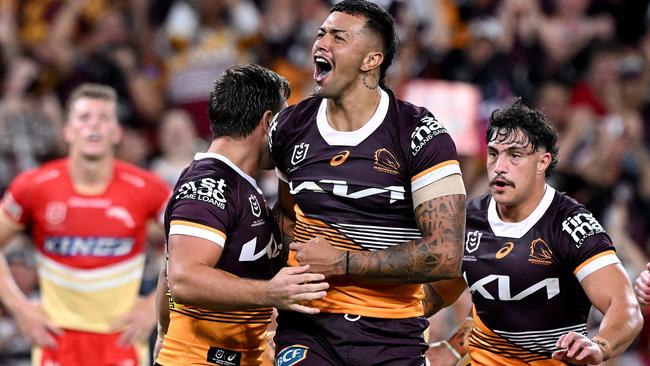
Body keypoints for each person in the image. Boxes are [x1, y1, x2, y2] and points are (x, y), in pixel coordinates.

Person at [268, 1, 467, 364]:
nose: (320, 43)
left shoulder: (419, 135)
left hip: (391, 332)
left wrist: (343, 262)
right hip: (307, 328)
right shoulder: (288, 127)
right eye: (320, 34)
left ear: (371, 60)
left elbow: (446, 255)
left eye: (338, 37)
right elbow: (285, 216)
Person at [425, 100, 643, 365]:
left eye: (515, 155)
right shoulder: (468, 221)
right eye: (494, 154)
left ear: (543, 162)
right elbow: (436, 296)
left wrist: (599, 346)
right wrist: (453, 346)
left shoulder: (570, 225)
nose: (500, 166)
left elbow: (625, 307)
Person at [155, 64, 329, 366]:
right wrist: (271, 292)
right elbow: (183, 278)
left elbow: (167, 269)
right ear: (268, 122)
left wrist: (161, 331)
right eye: (283, 119)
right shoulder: (209, 184)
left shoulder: (238, 184)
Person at [0, 83, 171, 365]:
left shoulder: (148, 188)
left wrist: (155, 307)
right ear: (67, 130)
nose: (94, 125)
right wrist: (20, 309)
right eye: (84, 117)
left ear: (117, 132)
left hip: (123, 342)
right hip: (55, 342)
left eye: (104, 118)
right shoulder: (33, 186)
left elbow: (191, 250)